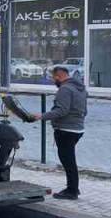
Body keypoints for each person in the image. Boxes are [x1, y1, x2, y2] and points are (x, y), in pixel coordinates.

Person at [32, 65, 87, 199]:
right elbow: (84, 110)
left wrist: (41, 116)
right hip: (78, 129)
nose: (53, 81)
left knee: (68, 161)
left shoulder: (65, 89)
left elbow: (62, 110)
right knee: (70, 159)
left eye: (53, 78)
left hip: (66, 130)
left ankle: (72, 191)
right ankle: (73, 188)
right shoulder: (80, 88)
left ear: (59, 76)